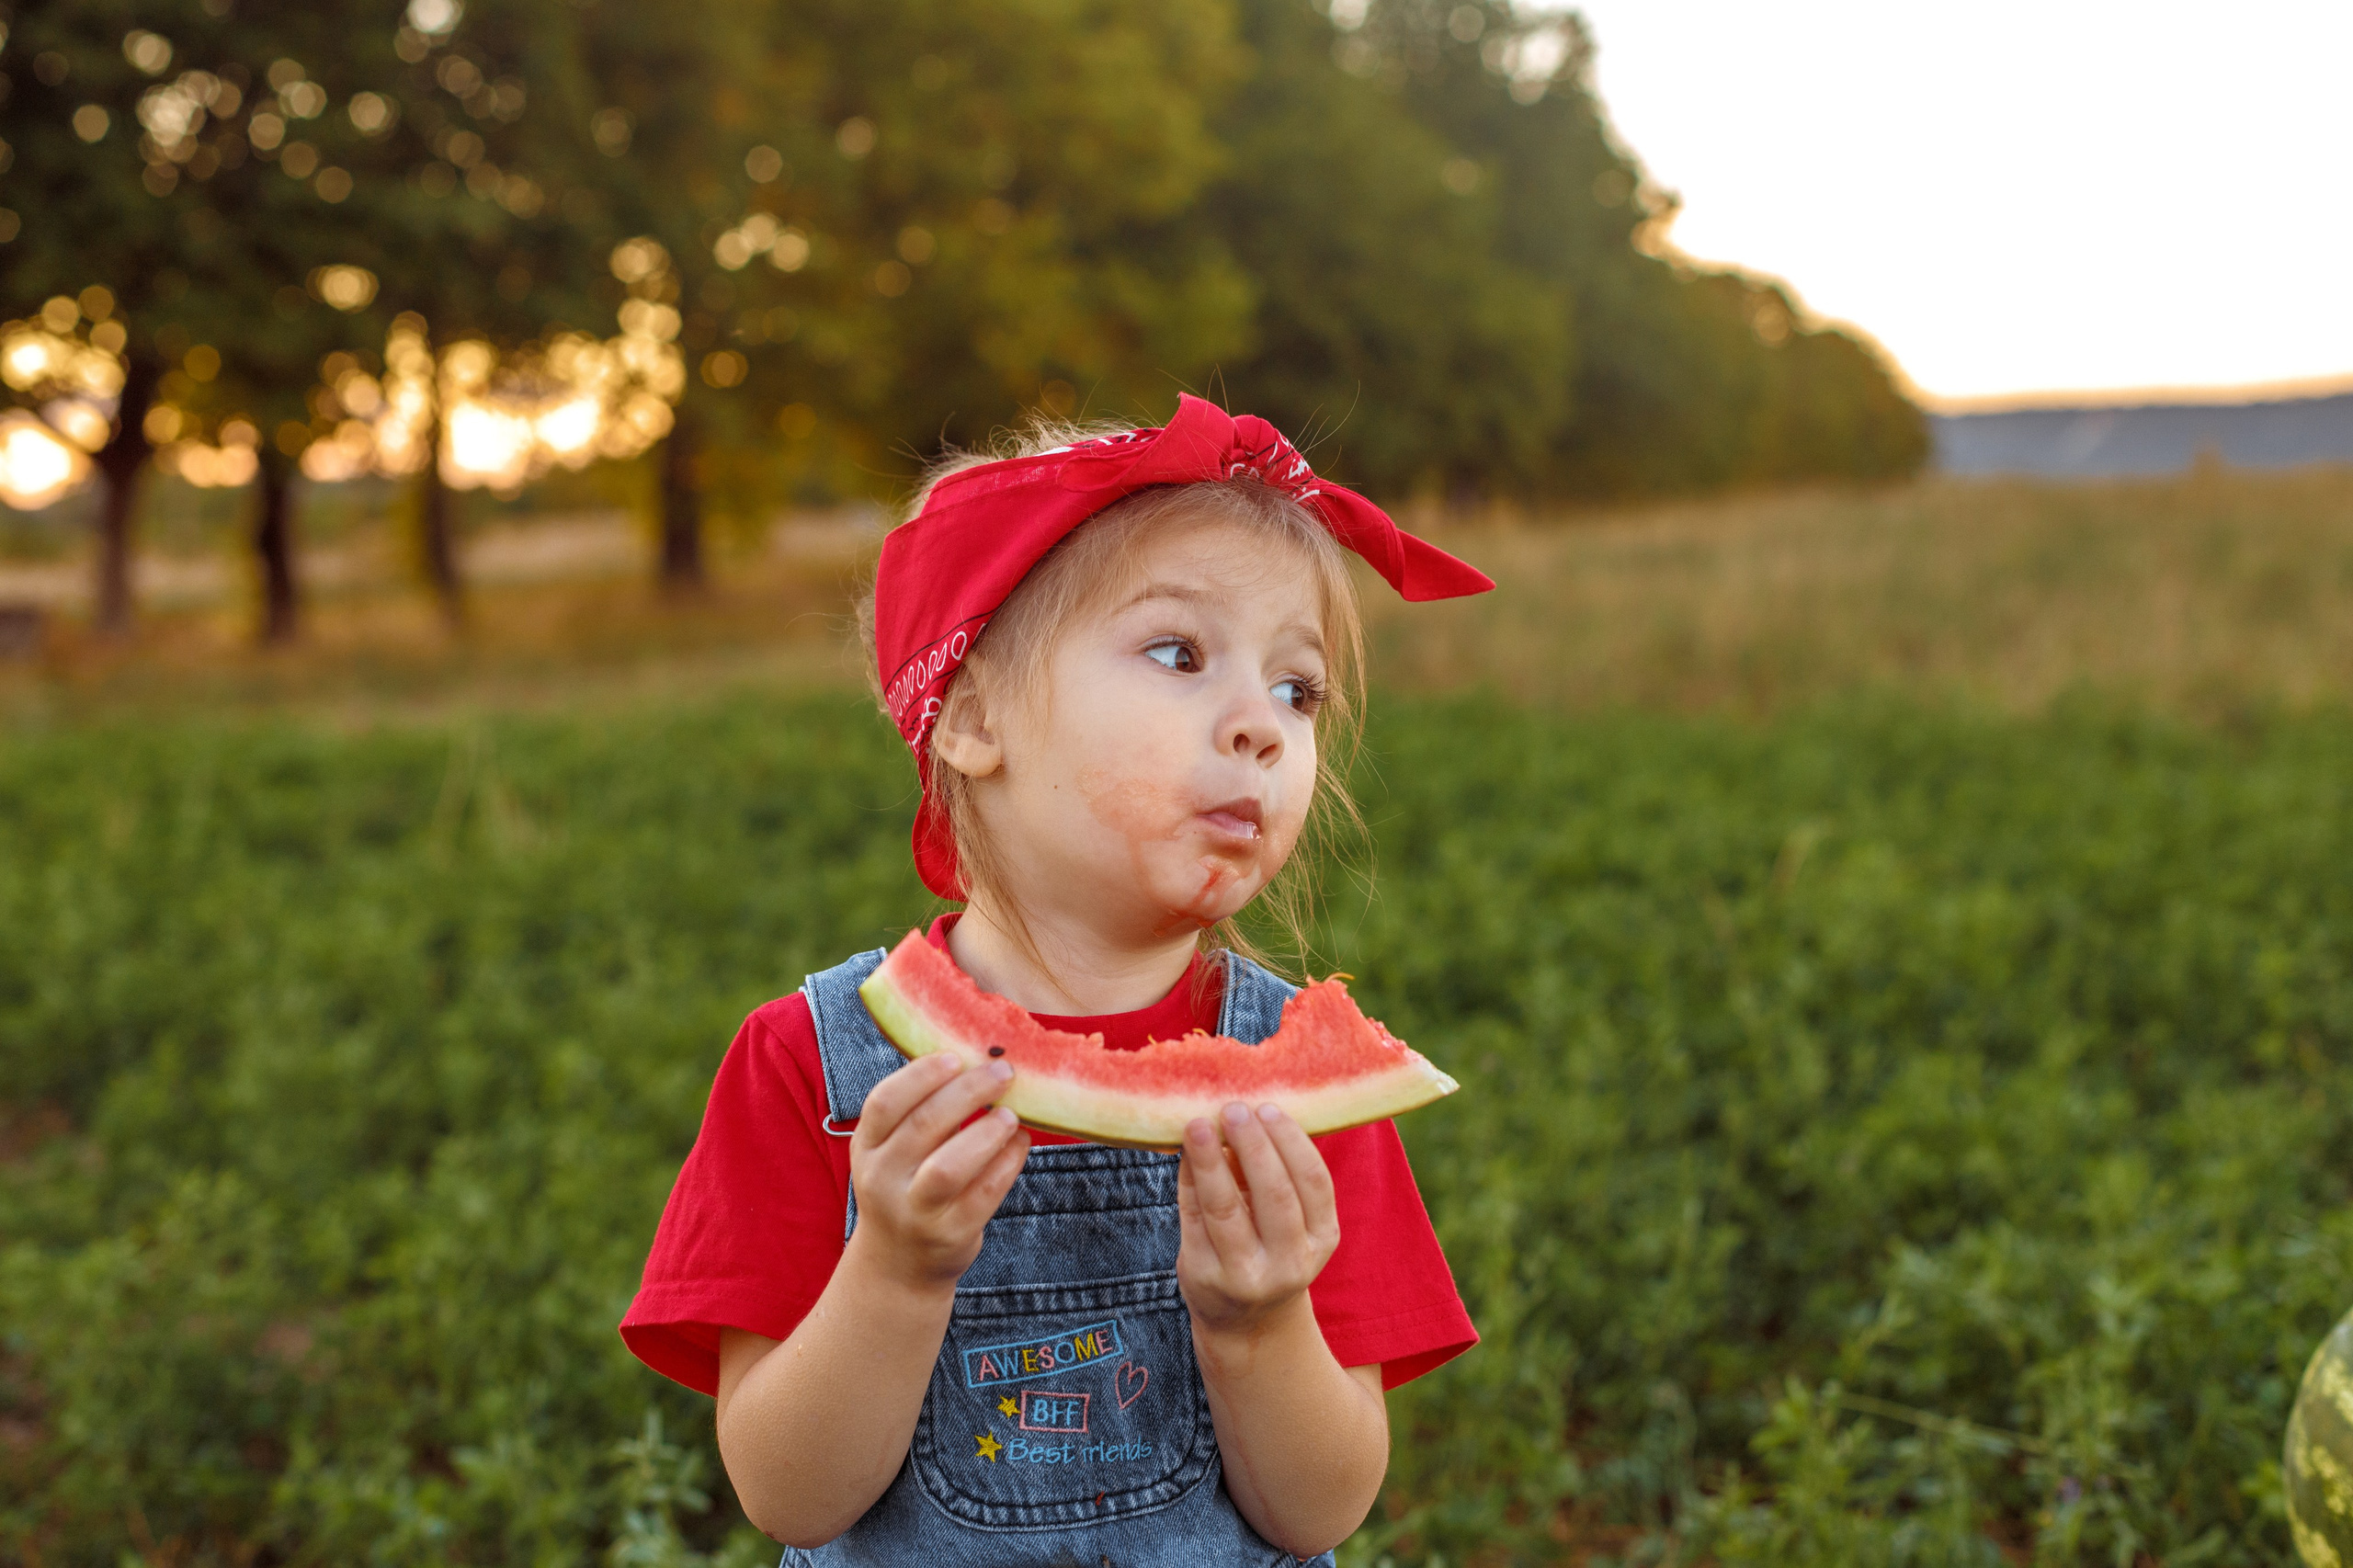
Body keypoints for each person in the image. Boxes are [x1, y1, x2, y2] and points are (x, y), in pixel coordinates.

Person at [620, 394, 1491, 1565]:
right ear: (973, 715)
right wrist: (893, 1266)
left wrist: (1257, 1319)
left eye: (1299, 689)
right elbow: (789, 1495)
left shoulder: (1295, 1093)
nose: (1263, 729)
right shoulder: (810, 1065)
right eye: (1179, 653)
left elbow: (1321, 1509)